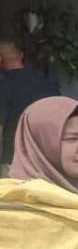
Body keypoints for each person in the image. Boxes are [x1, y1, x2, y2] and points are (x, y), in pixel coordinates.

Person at [0, 38, 60, 171]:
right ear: (20, 55)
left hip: (15, 157)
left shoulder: (3, 85)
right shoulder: (47, 81)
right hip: (47, 154)